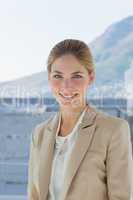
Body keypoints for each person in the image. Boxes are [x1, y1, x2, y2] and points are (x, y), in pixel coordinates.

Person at [27, 39, 133, 200]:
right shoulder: (40, 133)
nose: (66, 86)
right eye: (58, 76)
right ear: (49, 78)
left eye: (76, 76)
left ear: (90, 78)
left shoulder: (113, 130)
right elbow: (34, 195)